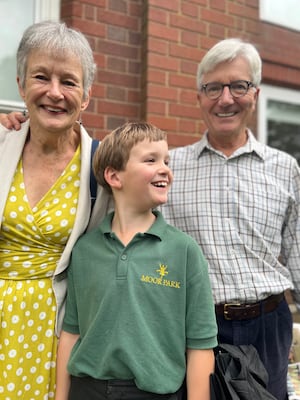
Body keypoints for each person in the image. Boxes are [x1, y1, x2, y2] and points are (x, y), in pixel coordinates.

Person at [159, 38, 300, 400]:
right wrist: (18, 130)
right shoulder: (168, 168)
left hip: (269, 325)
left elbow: (298, 258)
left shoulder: (285, 169)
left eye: (238, 85)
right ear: (198, 97)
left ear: (255, 93)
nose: (225, 99)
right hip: (194, 327)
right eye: (213, 88)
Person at [54, 121, 218, 400]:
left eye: (166, 160)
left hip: (157, 393)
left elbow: (200, 346)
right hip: (87, 390)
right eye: (151, 160)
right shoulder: (84, 250)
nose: (165, 168)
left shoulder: (185, 251)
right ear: (114, 177)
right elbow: (71, 332)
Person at [0, 21, 110, 399]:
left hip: (57, 331)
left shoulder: (101, 168)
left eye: (69, 81)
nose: (54, 92)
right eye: (41, 77)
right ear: (20, 85)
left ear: (86, 95)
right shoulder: (0, 144)